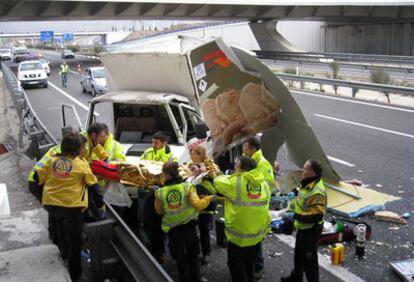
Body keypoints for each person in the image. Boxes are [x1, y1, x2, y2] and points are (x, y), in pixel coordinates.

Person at [36, 133, 105, 281]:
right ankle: (75, 273)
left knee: (59, 228)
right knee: (75, 240)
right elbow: (93, 186)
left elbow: (39, 177)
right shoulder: (81, 164)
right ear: (79, 149)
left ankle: (62, 253)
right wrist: (100, 206)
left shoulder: (52, 160)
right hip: (71, 207)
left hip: (51, 205)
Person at [155, 162, 215, 282]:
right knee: (193, 256)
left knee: (180, 259)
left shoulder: (160, 192)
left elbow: (159, 211)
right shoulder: (187, 187)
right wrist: (208, 198)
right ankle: (196, 279)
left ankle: (184, 279)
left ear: (166, 175)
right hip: (189, 229)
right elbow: (198, 205)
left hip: (174, 231)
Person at [214, 156, 271, 282]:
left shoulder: (236, 183)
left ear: (243, 169)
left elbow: (218, 182)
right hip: (256, 237)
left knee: (236, 268)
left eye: (236, 166)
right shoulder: (264, 184)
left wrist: (217, 173)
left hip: (238, 238)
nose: (234, 167)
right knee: (249, 265)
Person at [281, 160, 327, 282]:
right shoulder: (308, 182)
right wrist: (294, 192)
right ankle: (296, 278)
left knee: (310, 262)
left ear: (312, 172)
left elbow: (315, 216)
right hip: (302, 228)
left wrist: (295, 216)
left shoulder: (317, 192)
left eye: (305, 169)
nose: (302, 170)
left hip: (310, 231)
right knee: (299, 256)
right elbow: (301, 188)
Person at [242, 137, 275, 277]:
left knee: (255, 237)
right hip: (247, 205)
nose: (243, 148)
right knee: (249, 236)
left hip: (257, 206)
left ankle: (259, 266)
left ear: (253, 149)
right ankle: (251, 265)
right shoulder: (246, 159)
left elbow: (268, 185)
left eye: (245, 146)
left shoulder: (262, 163)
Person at [188, 145, 220, 265]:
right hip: (193, 207)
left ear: (200, 154)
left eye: (193, 154)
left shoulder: (210, 167)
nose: (191, 156)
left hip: (205, 207)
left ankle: (206, 254)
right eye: (190, 153)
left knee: (204, 233)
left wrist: (204, 175)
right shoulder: (188, 166)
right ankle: (194, 253)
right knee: (192, 232)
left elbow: (216, 184)